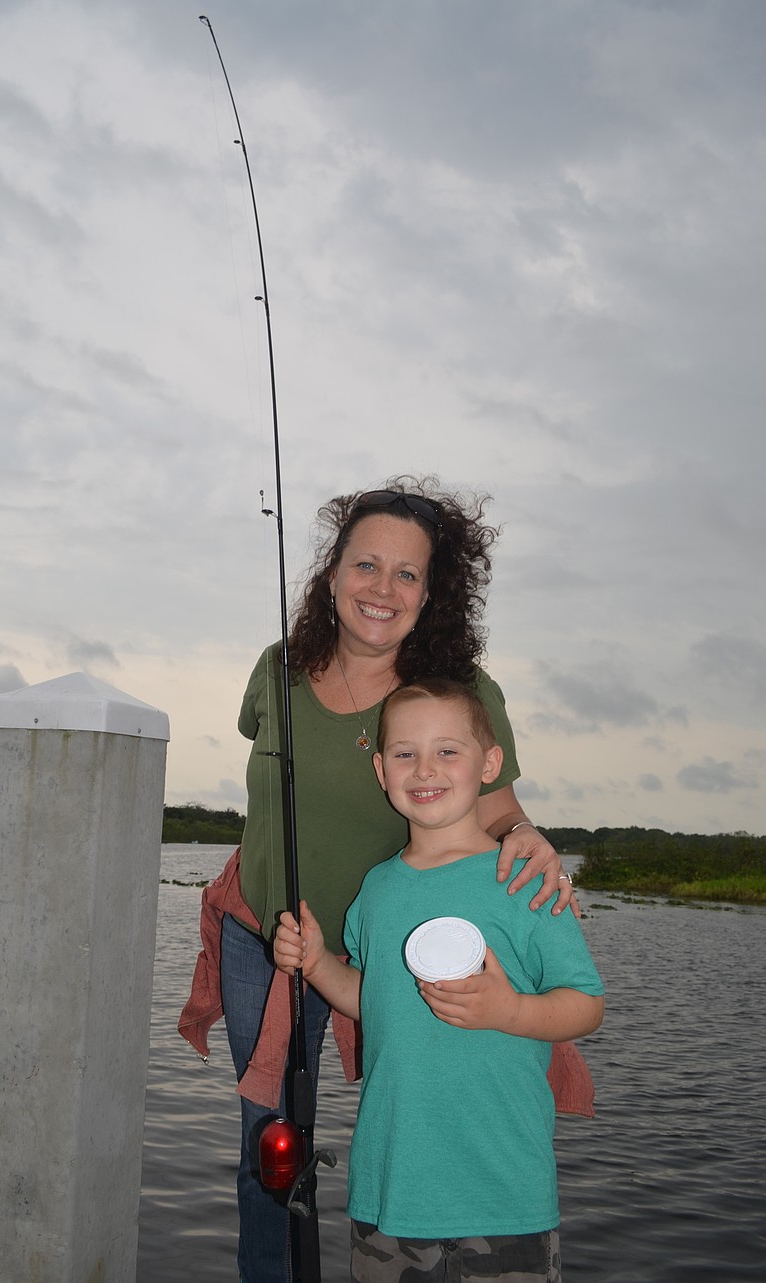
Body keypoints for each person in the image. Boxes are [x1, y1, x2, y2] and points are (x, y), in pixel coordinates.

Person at [196, 478, 576, 1283]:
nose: (383, 587)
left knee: (417, 1121)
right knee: (268, 1149)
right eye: (366, 564)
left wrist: (529, 837)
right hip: (263, 940)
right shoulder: (276, 669)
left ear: (431, 593)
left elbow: (502, 813)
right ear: (332, 573)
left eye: (408, 573)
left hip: (390, 955)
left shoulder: (459, 691)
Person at [274, 679, 604, 1283]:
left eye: (448, 751)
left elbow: (586, 1004)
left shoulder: (527, 879)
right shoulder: (376, 890)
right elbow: (373, 1001)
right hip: (390, 1193)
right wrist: (317, 964)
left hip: (507, 1194)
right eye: (405, 753)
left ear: (490, 764)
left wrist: (510, 1011)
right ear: (381, 770)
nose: (425, 769)